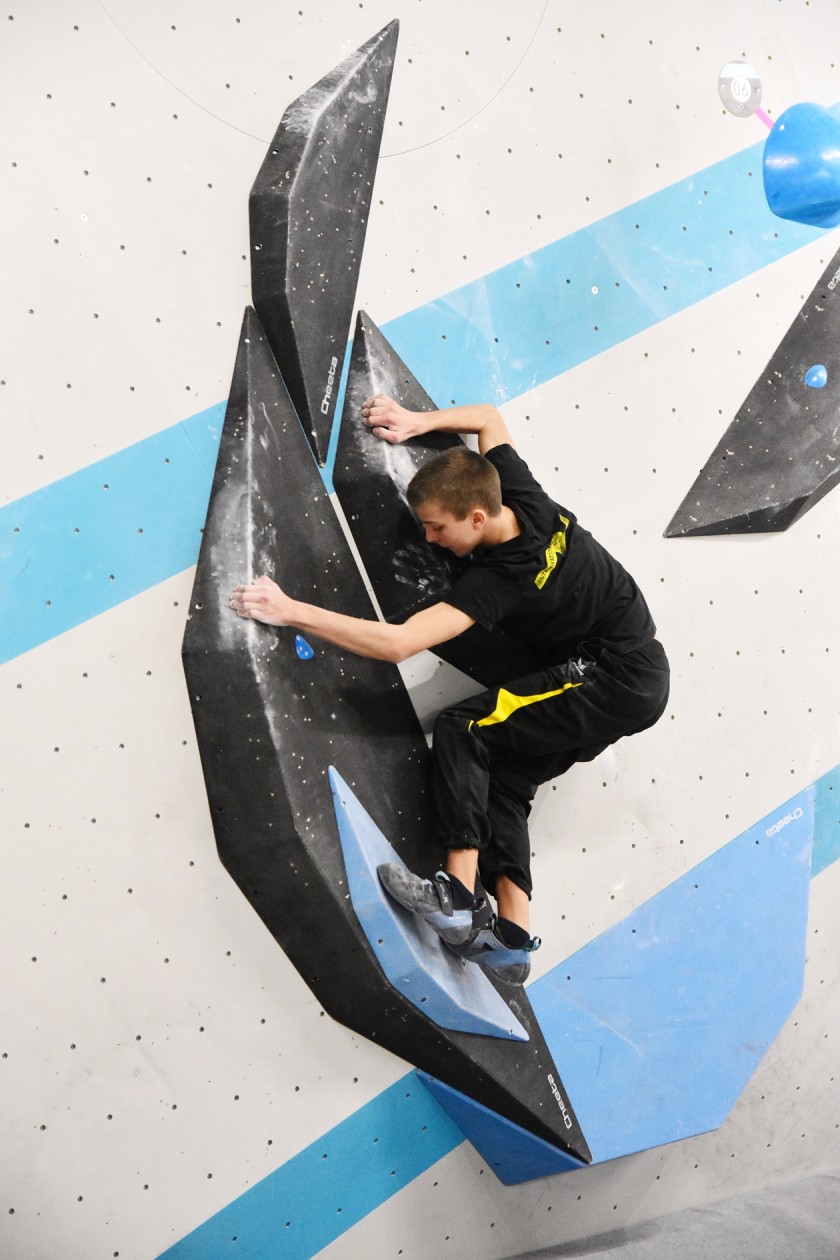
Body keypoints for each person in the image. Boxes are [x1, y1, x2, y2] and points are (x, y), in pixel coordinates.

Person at [230, 396, 669, 983]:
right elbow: (488, 418)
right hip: (630, 669)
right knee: (507, 776)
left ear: (477, 519)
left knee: (466, 728)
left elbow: (397, 644)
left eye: (439, 527)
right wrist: (415, 423)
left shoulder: (500, 579)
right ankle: (511, 939)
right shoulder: (520, 495)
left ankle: (456, 898)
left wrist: (291, 610)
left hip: (615, 675)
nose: (432, 540)